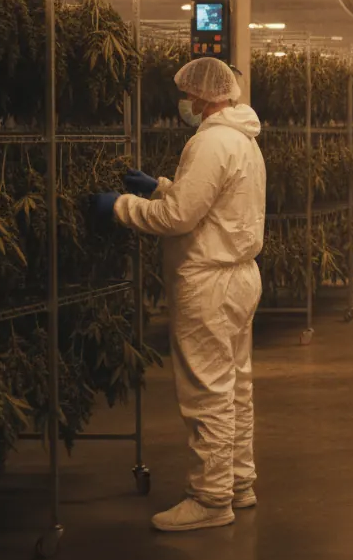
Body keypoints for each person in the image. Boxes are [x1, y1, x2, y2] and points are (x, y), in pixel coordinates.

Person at [88, 57, 267, 532]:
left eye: (188, 95)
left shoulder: (209, 142)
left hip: (208, 281)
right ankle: (238, 483)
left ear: (204, 97)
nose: (184, 102)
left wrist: (123, 208)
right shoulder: (244, 140)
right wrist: (163, 186)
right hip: (239, 275)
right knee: (235, 386)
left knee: (207, 389)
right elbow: (209, 203)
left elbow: (178, 220)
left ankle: (210, 499)